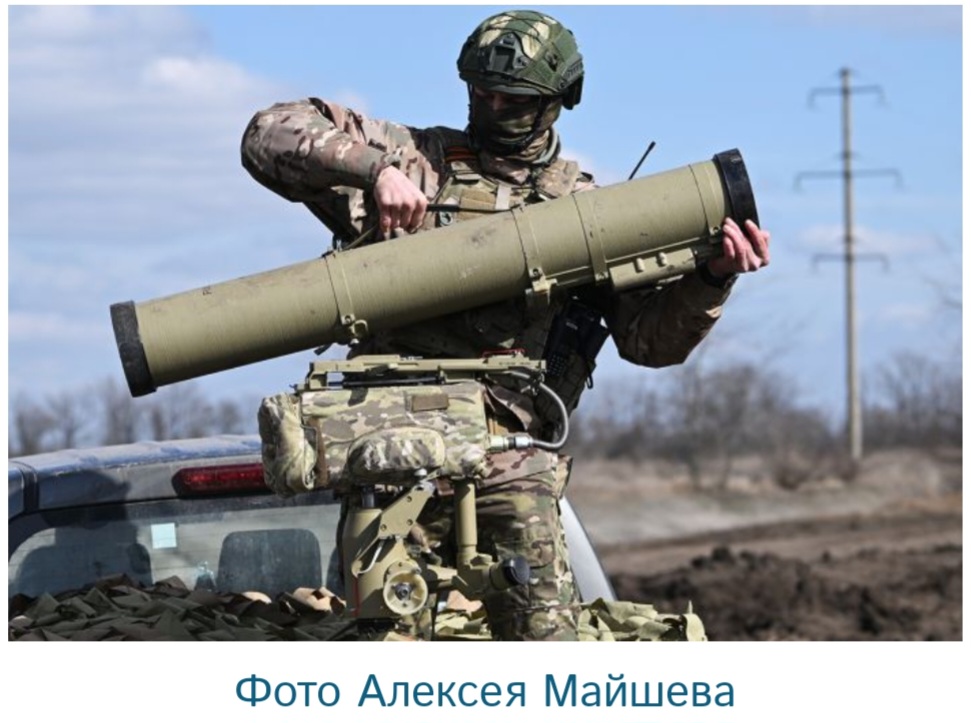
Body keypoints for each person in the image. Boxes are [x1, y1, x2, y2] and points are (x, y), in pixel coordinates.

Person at [241, 9, 770, 641]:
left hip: (511, 464)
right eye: (481, 93)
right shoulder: (413, 160)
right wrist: (373, 171)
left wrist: (711, 278)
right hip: (393, 460)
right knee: (389, 649)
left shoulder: (589, 215)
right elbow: (267, 132)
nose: (492, 108)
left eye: (512, 100)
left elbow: (649, 343)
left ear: (558, 100)